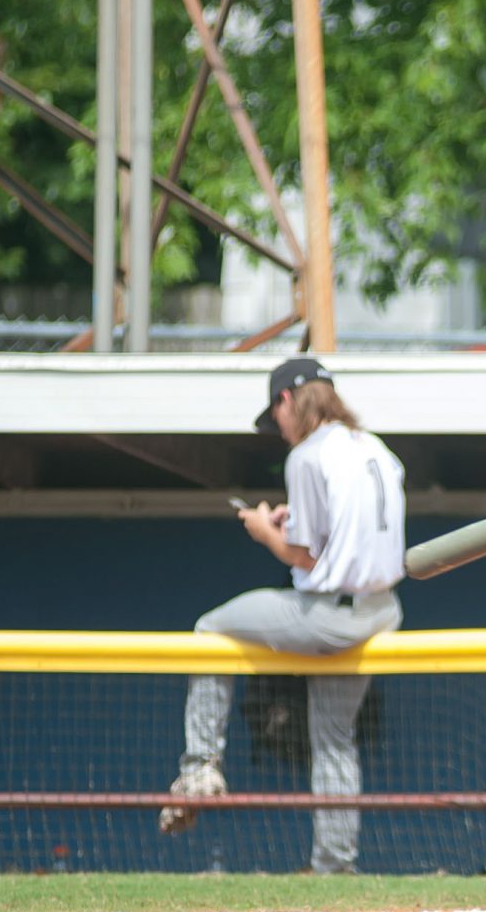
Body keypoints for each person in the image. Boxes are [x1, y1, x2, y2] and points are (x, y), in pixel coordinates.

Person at [162, 358, 404, 875]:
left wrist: (262, 529)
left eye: (278, 416)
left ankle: (200, 766)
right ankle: (335, 866)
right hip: (382, 610)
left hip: (328, 615)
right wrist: (290, 521)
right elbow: (344, 529)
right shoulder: (374, 448)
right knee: (333, 734)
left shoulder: (308, 454)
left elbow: (304, 557)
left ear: (288, 402)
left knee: (209, 629)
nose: (280, 429)